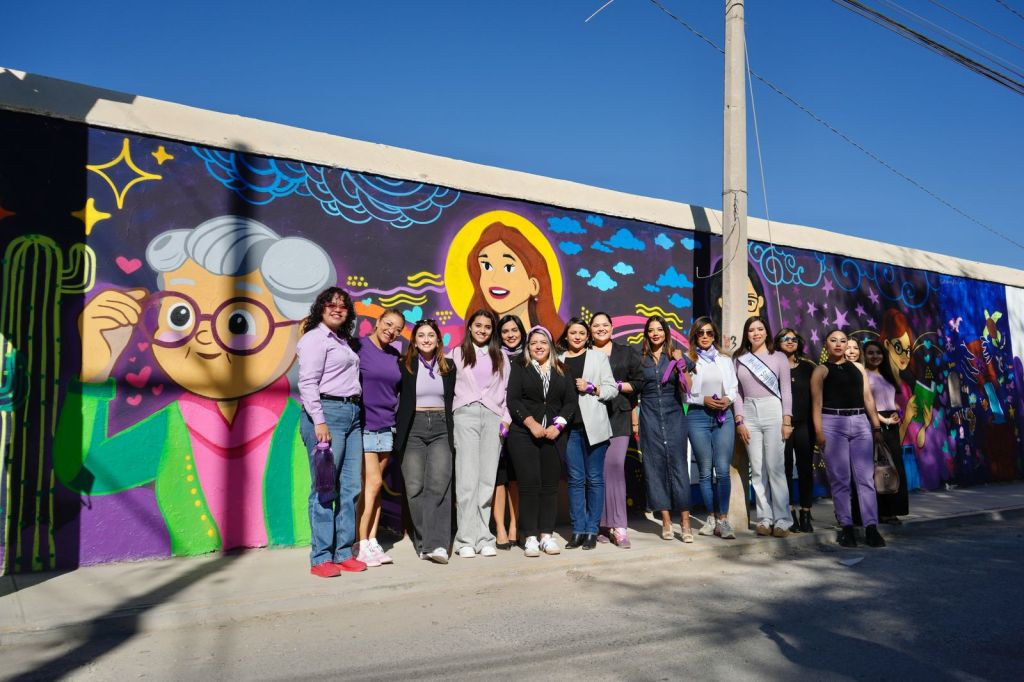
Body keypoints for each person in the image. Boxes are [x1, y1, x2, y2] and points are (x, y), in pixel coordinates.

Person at [55, 215, 333, 561]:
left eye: (238, 320)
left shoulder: (303, 425)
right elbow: (85, 473)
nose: (201, 335)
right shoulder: (173, 427)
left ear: (297, 330)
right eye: (180, 315)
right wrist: (94, 372)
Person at [296, 287, 368, 576]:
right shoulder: (315, 338)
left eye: (343, 306)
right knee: (325, 488)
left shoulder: (342, 342)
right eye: (331, 304)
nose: (337, 309)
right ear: (321, 308)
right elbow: (307, 382)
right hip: (327, 415)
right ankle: (321, 557)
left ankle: (343, 552)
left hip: (352, 415)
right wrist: (319, 421)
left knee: (351, 488)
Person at [811, 328, 887, 548]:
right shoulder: (821, 371)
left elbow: (868, 399)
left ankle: (871, 527)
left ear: (847, 345)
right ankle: (847, 528)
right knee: (841, 480)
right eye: (833, 340)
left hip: (860, 422)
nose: (838, 344)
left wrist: (876, 427)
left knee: (866, 479)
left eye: (842, 341)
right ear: (826, 344)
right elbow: (816, 403)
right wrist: (819, 432)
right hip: (832, 423)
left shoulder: (859, 368)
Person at [506, 326, 578, 557]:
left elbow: (570, 402)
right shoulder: (520, 367)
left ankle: (546, 536)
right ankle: (530, 537)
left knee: (549, 487)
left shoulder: (563, 369)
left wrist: (559, 426)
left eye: (543, 342)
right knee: (529, 486)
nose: (538, 346)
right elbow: (513, 400)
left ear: (550, 346)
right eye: (534, 342)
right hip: (524, 435)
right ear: (528, 346)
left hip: (553, 436)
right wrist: (531, 424)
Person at [394, 319, 457, 564]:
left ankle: (437, 544)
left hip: (441, 426)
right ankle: (424, 541)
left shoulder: (449, 366)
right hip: (413, 427)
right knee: (414, 487)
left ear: (438, 340)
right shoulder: (404, 365)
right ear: (414, 340)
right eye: (421, 335)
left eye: (431, 335)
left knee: (439, 484)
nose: (426, 339)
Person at [450, 309, 511, 558]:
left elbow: (507, 391)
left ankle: (484, 536)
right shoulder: (456, 353)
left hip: (493, 417)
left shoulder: (501, 356)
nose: (482, 330)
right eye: (478, 325)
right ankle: (465, 539)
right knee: (467, 479)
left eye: (487, 326)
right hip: (465, 416)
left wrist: (505, 419)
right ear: (470, 327)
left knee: (487, 480)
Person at [556, 317, 618, 550]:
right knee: (575, 481)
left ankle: (592, 530)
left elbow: (612, 389)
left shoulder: (598, 357)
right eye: (573, 332)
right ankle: (578, 531)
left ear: (587, 336)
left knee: (594, 479)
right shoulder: (558, 360)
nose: (577, 336)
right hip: (569, 430)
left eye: (582, 333)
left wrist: (592, 388)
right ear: (566, 335)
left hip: (595, 428)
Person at [733, 316, 794, 537]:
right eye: (751, 330)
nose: (756, 333)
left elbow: (786, 390)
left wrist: (787, 420)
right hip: (749, 412)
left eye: (760, 329)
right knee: (757, 470)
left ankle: (783, 520)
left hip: (773, 410)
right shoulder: (739, 358)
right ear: (746, 334)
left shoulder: (778, 357)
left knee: (775, 468)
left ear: (767, 332)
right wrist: (739, 420)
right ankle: (764, 518)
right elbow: (737, 392)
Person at [636, 316, 694, 542]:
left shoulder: (676, 355)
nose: (655, 333)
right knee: (655, 468)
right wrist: (635, 421)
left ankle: (686, 522)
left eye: (659, 329)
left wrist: (681, 364)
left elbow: (688, 387)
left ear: (666, 332)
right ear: (646, 334)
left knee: (679, 467)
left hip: (674, 415)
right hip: (649, 416)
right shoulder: (640, 359)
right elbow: (635, 390)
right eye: (651, 330)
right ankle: (666, 521)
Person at [354, 308, 404, 567]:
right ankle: (360, 543)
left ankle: (372, 540)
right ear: (378, 321)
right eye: (388, 324)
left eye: (397, 329)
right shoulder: (359, 347)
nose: (391, 331)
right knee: (372, 483)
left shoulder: (395, 355)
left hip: (387, 426)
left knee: (376, 487)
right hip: (366, 425)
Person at [589, 312, 643, 549]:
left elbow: (640, 382)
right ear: (590, 330)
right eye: (596, 326)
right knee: (598, 469)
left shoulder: (626, 352)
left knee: (615, 466)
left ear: (612, 328)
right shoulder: (584, 353)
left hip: (619, 415)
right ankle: (601, 524)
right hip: (592, 417)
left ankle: (619, 526)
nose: (601, 329)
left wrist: (616, 387)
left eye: (605, 325)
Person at [686, 316, 739, 540]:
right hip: (698, 416)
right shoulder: (688, 359)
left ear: (714, 335)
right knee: (705, 471)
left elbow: (734, 387)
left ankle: (724, 520)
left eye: (709, 332)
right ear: (695, 336)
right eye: (701, 333)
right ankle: (711, 517)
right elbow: (684, 392)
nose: (705, 336)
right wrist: (703, 399)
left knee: (723, 470)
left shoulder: (724, 360)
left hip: (723, 416)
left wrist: (728, 399)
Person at [466, 220, 564, 335]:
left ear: (533, 285)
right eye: (487, 266)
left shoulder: (545, 342)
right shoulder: (481, 342)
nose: (495, 278)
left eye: (508, 267)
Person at [863, 339, 909, 524]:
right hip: (876, 423)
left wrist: (896, 411)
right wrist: (882, 421)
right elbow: (867, 403)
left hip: (892, 424)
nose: (875, 356)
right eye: (871, 353)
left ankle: (894, 510)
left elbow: (888, 398)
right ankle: (882, 512)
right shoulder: (864, 375)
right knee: (880, 469)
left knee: (894, 467)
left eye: (878, 352)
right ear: (864, 355)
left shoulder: (887, 375)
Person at [776, 328, 816, 533]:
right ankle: (789, 511)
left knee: (805, 469)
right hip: (782, 425)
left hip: (805, 425)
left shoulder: (809, 367)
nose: (790, 341)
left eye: (794, 338)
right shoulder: (773, 367)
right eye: (785, 338)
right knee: (784, 469)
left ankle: (806, 513)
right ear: (777, 342)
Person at [494, 314, 526, 549]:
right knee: (498, 478)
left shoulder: (529, 356)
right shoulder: (494, 356)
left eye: (514, 330)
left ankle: (515, 526)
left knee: (516, 479)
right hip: (496, 423)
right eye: (505, 331)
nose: (510, 335)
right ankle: (500, 529)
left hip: (521, 425)